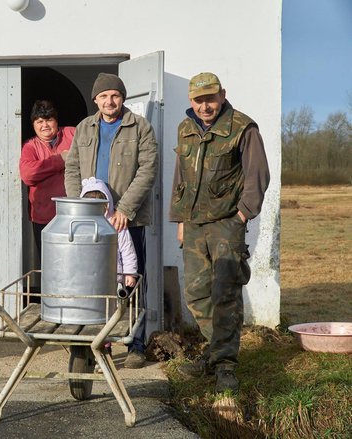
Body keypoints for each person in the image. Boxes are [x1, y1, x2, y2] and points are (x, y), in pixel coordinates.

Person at [170, 72, 270, 392]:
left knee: (225, 292)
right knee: (197, 294)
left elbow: (258, 175)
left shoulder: (243, 127)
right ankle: (216, 352)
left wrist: (242, 215)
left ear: (222, 94)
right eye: (199, 100)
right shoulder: (185, 129)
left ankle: (225, 365)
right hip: (195, 223)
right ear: (191, 101)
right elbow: (180, 177)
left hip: (227, 222)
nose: (205, 105)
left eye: (210, 98)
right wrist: (181, 219)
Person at [64, 73, 158, 369]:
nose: (109, 101)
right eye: (103, 96)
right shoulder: (84, 128)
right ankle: (99, 340)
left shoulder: (140, 127)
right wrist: (79, 208)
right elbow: (72, 168)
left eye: (115, 95)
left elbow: (148, 169)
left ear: (123, 98)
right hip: (91, 218)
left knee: (132, 278)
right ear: (95, 100)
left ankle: (136, 343)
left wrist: (125, 209)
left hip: (127, 219)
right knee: (93, 281)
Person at [19, 100, 75, 257]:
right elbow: (28, 175)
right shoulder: (29, 146)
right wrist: (60, 159)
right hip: (44, 218)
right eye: (39, 121)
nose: (45, 125)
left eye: (49, 119)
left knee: (76, 261)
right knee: (50, 263)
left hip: (74, 215)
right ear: (33, 124)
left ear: (56, 121)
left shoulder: (72, 134)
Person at [80, 177, 138, 290]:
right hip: (85, 279)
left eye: (100, 205)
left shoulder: (115, 224)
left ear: (107, 205)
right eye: (90, 206)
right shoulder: (80, 226)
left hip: (113, 279)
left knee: (112, 305)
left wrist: (130, 273)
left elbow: (127, 250)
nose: (95, 209)